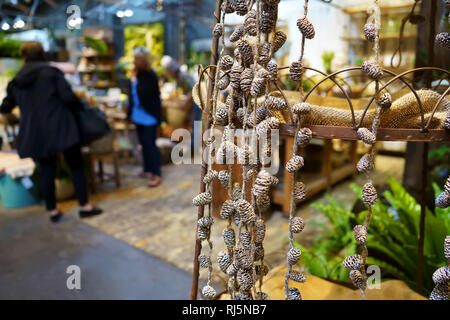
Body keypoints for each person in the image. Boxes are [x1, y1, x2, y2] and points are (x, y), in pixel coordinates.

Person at [0, 41, 102, 223]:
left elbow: (6, 106)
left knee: (47, 169)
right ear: (43, 54)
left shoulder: (17, 80)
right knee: (76, 165)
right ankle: (84, 206)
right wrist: (81, 108)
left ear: (24, 56)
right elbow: (69, 98)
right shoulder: (51, 73)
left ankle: (52, 211)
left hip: (36, 132)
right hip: (62, 127)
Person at [128, 47, 162, 187]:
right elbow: (132, 94)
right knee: (143, 144)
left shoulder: (150, 75)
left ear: (144, 60)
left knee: (150, 145)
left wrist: (134, 80)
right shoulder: (139, 74)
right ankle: (147, 170)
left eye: (138, 59)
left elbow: (144, 93)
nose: (135, 61)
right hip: (138, 115)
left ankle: (156, 174)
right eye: (135, 58)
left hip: (149, 116)